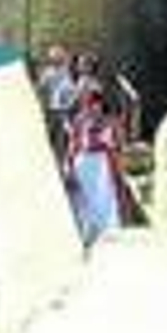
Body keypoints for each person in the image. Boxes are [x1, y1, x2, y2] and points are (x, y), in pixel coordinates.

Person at [65, 87, 127, 245]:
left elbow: (118, 144)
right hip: (84, 163)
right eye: (88, 103)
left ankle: (108, 234)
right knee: (84, 200)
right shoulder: (80, 121)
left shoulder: (110, 121)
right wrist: (69, 167)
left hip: (103, 164)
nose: (91, 107)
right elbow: (73, 145)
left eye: (94, 103)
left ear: (100, 104)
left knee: (104, 198)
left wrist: (116, 159)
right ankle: (86, 235)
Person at [35, 45, 76, 158]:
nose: (56, 59)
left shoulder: (67, 70)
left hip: (65, 108)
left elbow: (71, 89)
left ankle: (63, 157)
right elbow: (40, 88)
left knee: (65, 135)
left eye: (58, 57)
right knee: (52, 135)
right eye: (54, 57)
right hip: (52, 108)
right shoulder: (48, 73)